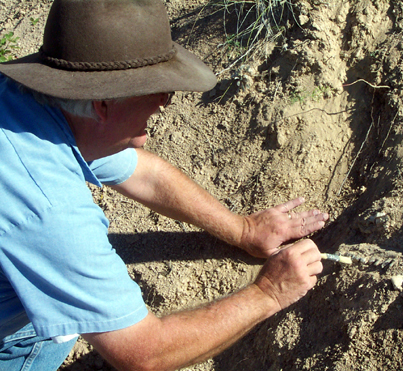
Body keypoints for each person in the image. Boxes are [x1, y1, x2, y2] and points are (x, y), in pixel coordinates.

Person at [0, 1, 329, 370]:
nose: (164, 103)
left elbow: (145, 175)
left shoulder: (24, 103)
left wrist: (244, 230)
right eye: (159, 90)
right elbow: (144, 353)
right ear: (102, 104)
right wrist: (268, 293)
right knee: (51, 332)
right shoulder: (48, 206)